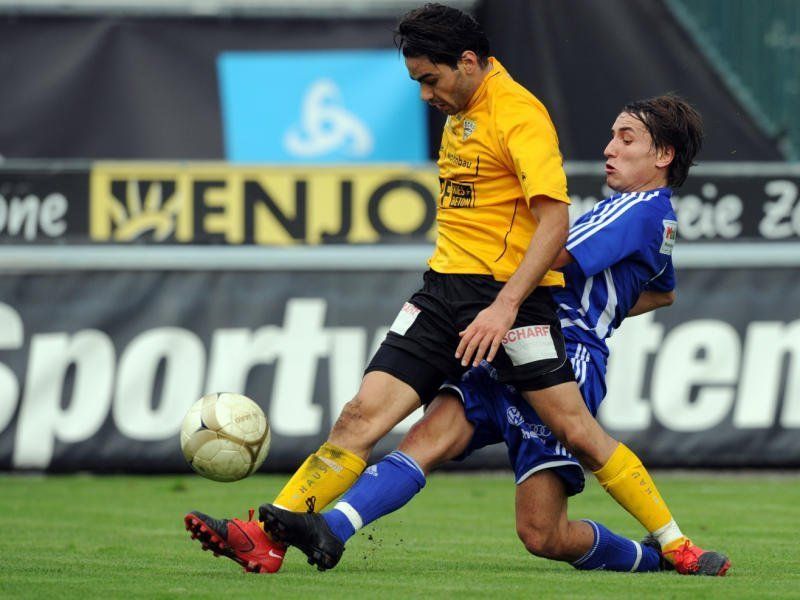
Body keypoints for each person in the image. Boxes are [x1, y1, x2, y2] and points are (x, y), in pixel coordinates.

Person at [184, 5, 725, 577]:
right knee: (369, 420)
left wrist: (519, 305)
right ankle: (274, 536)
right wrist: (601, 303)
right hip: (445, 297)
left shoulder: (562, 149)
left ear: (467, 62)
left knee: (548, 517)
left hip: (522, 317)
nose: (424, 94)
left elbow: (556, 235)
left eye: (430, 79)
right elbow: (661, 291)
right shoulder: (464, 113)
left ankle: (673, 548)